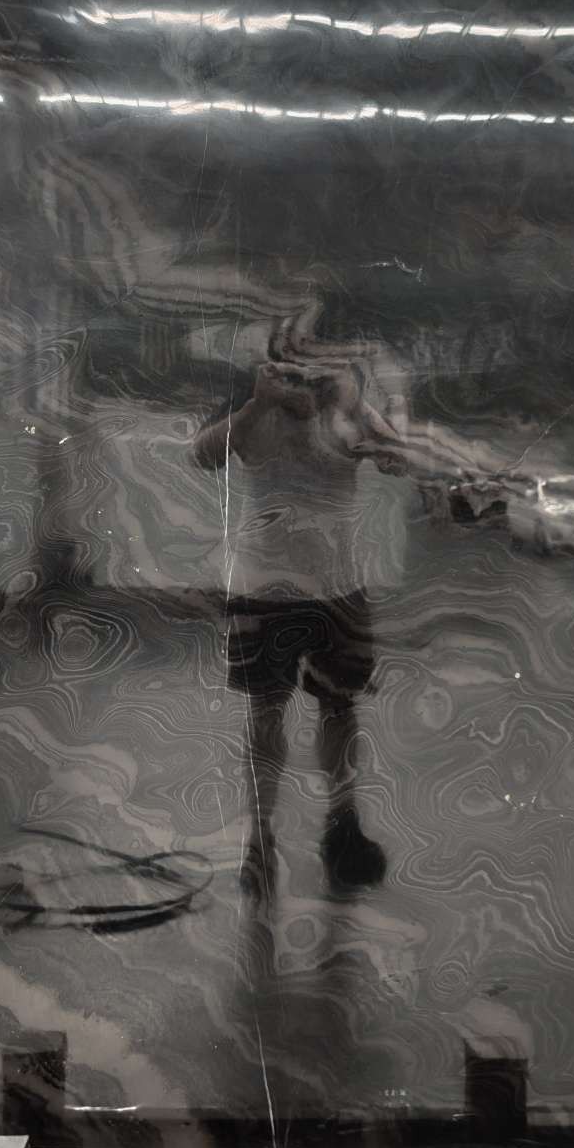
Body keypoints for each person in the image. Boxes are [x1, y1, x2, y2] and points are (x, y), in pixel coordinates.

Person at [194, 340, 407, 905]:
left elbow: (399, 460)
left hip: (337, 588)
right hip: (265, 590)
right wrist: (259, 405)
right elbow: (204, 455)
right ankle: (260, 836)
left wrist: (357, 407)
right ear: (273, 369)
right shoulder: (253, 408)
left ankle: (342, 824)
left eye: (314, 372)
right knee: (266, 711)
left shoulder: (346, 412)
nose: (304, 385)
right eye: (293, 372)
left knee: (340, 706)